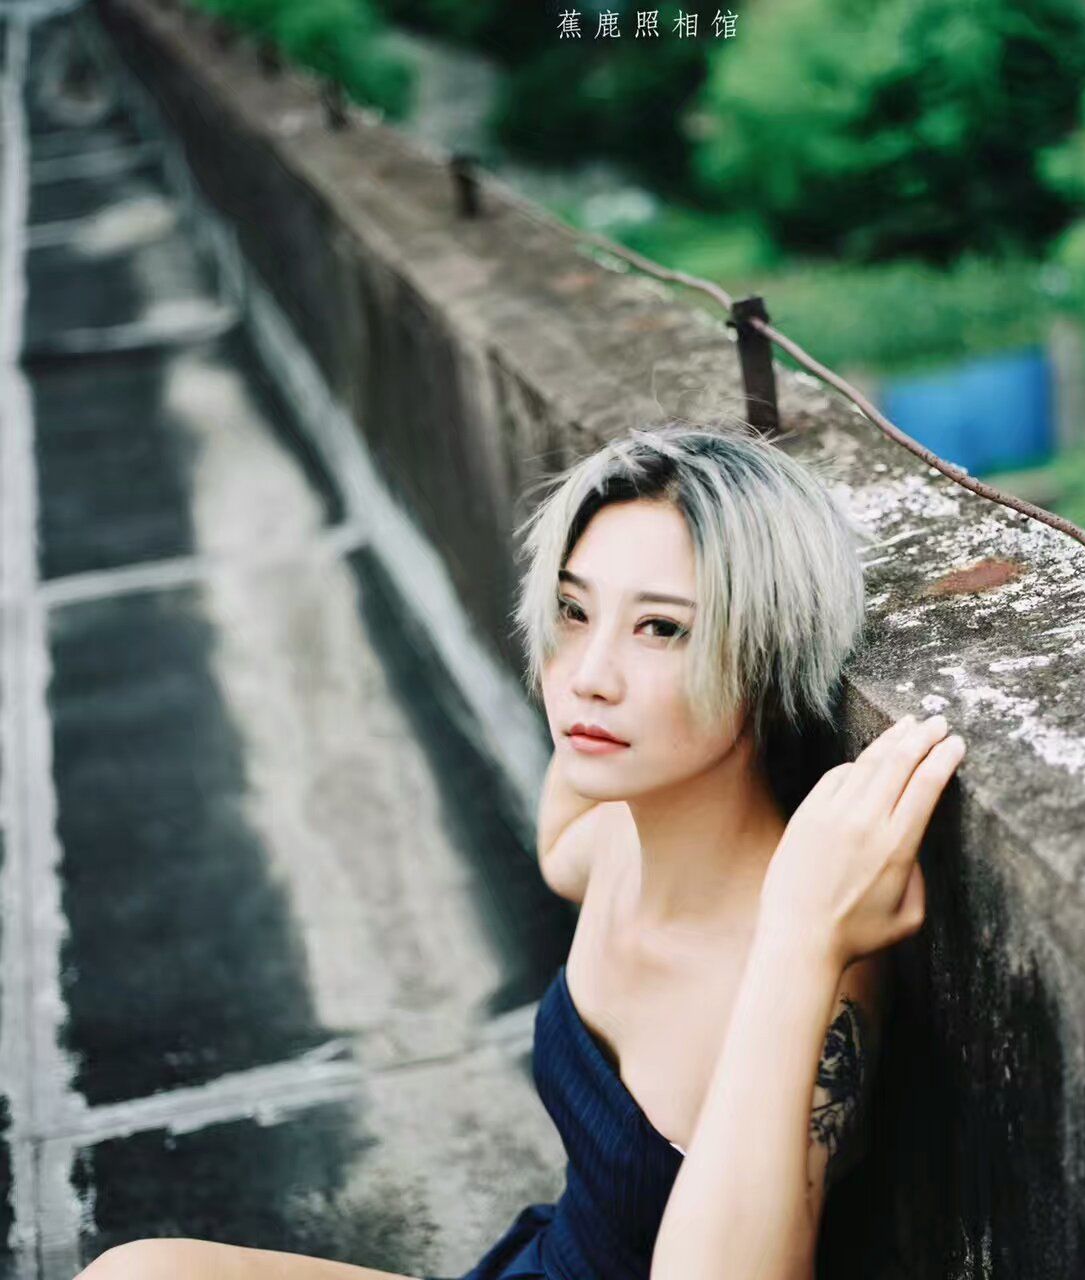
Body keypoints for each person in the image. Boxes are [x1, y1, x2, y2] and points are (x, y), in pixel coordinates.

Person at [75, 419, 964, 1280]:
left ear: (767, 654)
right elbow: (560, 845)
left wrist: (802, 940)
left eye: (662, 628)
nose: (587, 675)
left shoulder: (807, 957)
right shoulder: (619, 837)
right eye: (573, 612)